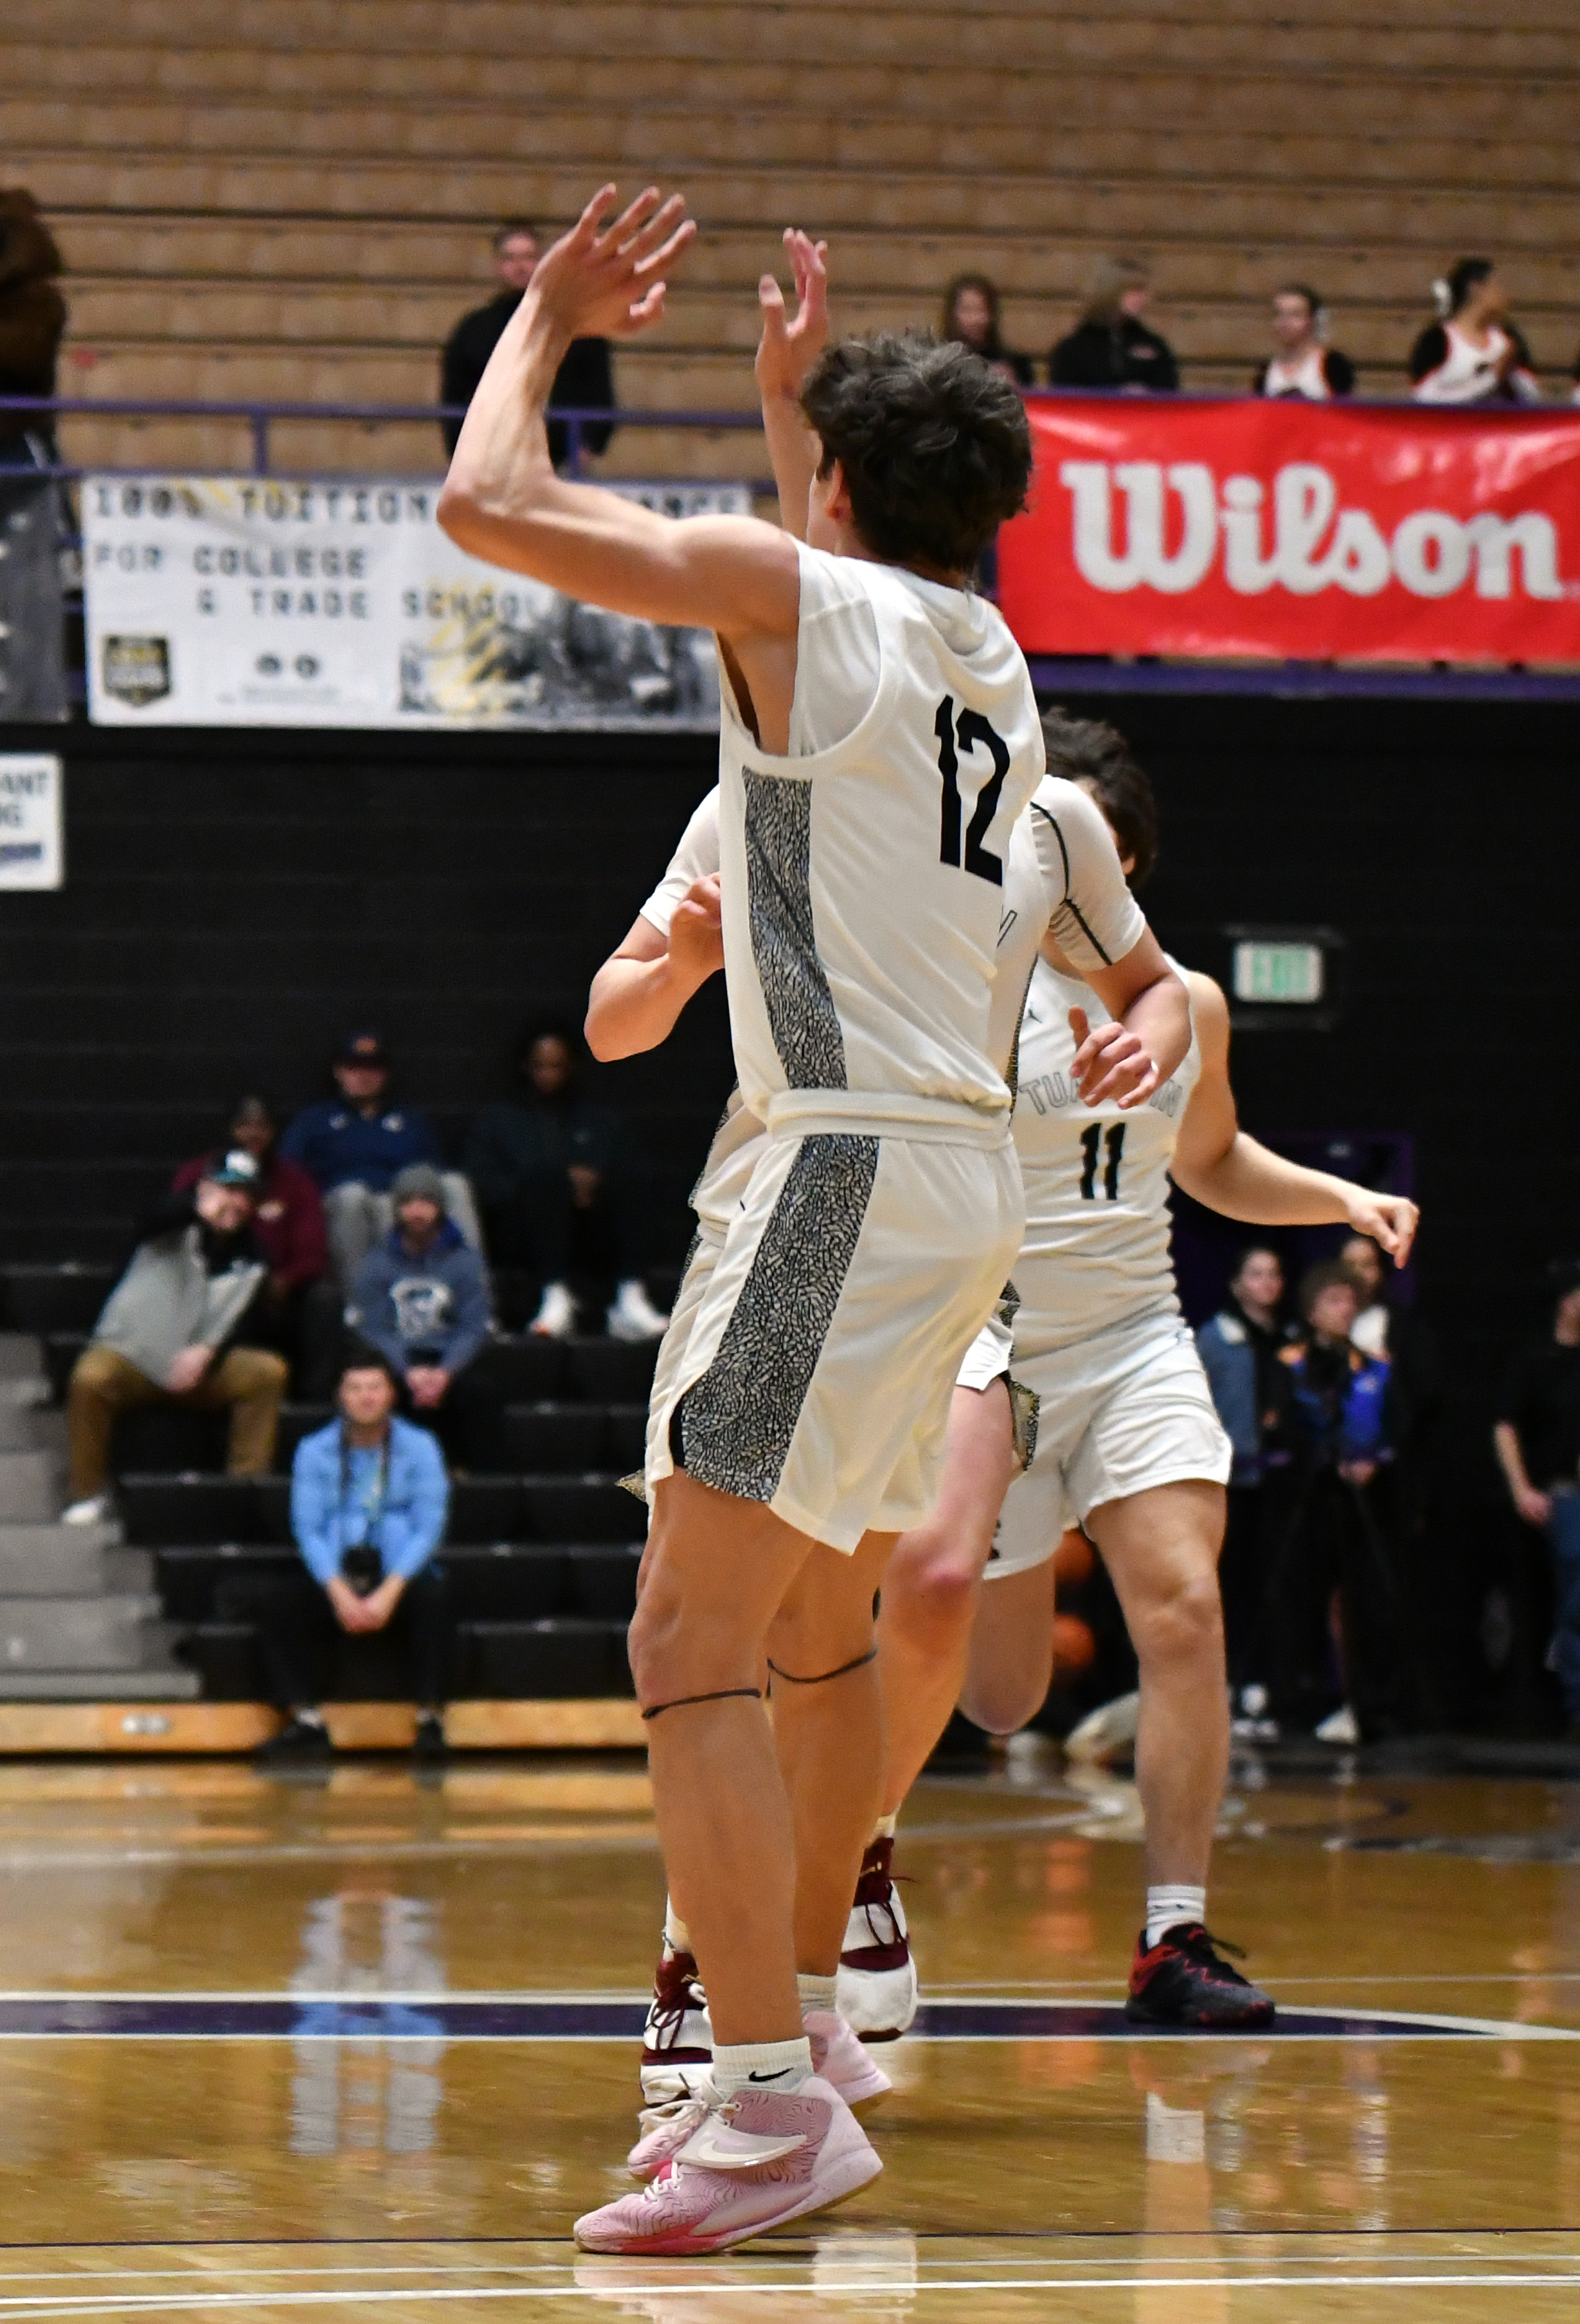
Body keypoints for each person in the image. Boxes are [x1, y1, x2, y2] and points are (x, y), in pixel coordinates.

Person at [444, 196, 1053, 2250]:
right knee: (802, 1637)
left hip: (845, 1166)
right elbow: (826, 576)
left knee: (679, 1635)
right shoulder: (986, 652)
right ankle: (775, 2047)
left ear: (846, 497)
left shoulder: (817, 605)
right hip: (956, 1179)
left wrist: (538, 318)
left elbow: (486, 502)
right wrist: (795, 398)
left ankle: (765, 2090)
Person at [590, 713, 1190, 2138]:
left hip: (885, 1201)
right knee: (792, 1621)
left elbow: (1158, 984)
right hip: (845, 1195)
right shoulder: (758, 797)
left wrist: (1144, 1043)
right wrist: (678, 959)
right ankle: (760, 1972)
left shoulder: (1027, 813)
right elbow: (615, 1015)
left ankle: (769, 2040)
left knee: (729, 1628)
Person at [820, 724, 1417, 2047]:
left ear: (1121, 866)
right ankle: (863, 1852)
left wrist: (1340, 1200)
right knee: (1003, 1692)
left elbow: (1213, 1162)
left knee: (1186, 1604)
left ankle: (1173, 1931)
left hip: (1137, 1331)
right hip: (993, 1345)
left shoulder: (1183, 1001)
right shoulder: (962, 973)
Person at [224, 1348, 454, 1763]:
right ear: (340, 1396)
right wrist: (339, 1594)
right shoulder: (314, 1450)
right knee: (277, 1603)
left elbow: (428, 1526)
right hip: (337, 1574)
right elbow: (307, 1529)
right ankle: (306, 1722)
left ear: (391, 1395)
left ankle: (430, 1720)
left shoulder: (420, 1447)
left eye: (375, 1388)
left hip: (398, 1574)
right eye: (356, 1388)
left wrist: (389, 1592)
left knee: (437, 1597)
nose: (366, 1397)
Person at [60, 1156, 285, 1526]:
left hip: (196, 1372)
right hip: (133, 1357)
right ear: (206, 1190)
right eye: (228, 1190)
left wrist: (209, 1352)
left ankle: (244, 1494)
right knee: (91, 1379)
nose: (235, 1203)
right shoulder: (171, 1226)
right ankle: (85, 1493)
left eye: (244, 1194)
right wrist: (194, 1209)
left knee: (266, 1373)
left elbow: (247, 1324)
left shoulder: (254, 1257)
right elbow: (153, 1218)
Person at [1270, 1262, 1406, 1742]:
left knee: (1369, 1604)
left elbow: (1391, 1426)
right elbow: (1283, 1428)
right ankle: (1296, 1702)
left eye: (1350, 1302)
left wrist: (1373, 1460)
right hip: (1308, 1502)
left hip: (1361, 1501)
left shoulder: (1375, 1368)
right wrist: (1320, 1459)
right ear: (1311, 1310)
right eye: (1333, 1301)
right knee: (1299, 1601)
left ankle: (1372, 1705)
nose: (1344, 1310)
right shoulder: (1291, 1364)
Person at [463, 1026, 668, 1341]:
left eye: (557, 1065)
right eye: (540, 1065)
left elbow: (637, 1170)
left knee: (630, 1180)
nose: (548, 1074)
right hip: (525, 1234)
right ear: (526, 1066)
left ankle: (630, 1295)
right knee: (547, 1183)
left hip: (593, 1231)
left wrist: (594, 1183)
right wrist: (556, 1185)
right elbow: (485, 1183)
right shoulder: (501, 1121)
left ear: (571, 1067)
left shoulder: (597, 1121)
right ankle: (555, 1295)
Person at [281, 1032, 481, 1287]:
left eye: (373, 1068)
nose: (364, 1075)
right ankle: (362, 1304)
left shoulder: (409, 1121)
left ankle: (475, 1293)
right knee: (352, 1196)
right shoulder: (315, 1121)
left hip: (401, 1204)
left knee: (454, 1183)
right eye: (355, 1068)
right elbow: (288, 1175)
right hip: (344, 1206)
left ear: (384, 1074)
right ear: (339, 1072)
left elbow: (432, 1171)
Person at [172, 1098, 332, 1392]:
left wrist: (284, 1280)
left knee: (324, 1298)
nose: (253, 1134)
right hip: (211, 1282)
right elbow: (172, 1229)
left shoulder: (295, 1181)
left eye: (262, 1126)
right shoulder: (198, 1172)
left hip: (276, 1291)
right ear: (229, 1129)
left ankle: (314, 1399)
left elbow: (313, 1254)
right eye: (244, 1125)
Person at [346, 1163, 501, 1468]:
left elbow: (473, 1326)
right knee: (370, 1387)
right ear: (396, 1208)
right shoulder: (376, 1263)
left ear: (440, 1206)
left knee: (483, 1394)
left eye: (426, 1202)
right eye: (408, 1203)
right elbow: (375, 1329)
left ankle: (485, 1484)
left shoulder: (465, 1261)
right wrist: (407, 1370)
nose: (417, 1211)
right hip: (398, 1359)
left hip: (449, 1359)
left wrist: (446, 1371)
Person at [1196, 1244, 1293, 1724]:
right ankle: (1227, 1683)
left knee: (1274, 1586)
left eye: (1274, 1274)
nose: (1267, 1284)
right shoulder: (1214, 1339)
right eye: (1256, 1274)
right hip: (1232, 1481)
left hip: (1281, 1482)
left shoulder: (1292, 1339)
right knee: (1230, 1584)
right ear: (1237, 1283)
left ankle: (1267, 1684)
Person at [440, 222, 614, 470]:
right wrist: (461, 454)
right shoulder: (474, 330)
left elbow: (599, 392)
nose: (520, 266)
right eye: (510, 258)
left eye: (529, 257)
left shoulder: (578, 327)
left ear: (544, 262)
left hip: (563, 461)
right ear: (498, 265)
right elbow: (454, 397)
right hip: (491, 461)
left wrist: (589, 445)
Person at [1497, 1262, 1580, 1739]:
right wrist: (1521, 1488)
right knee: (1574, 1596)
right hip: (1565, 1493)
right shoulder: (1539, 1359)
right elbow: (1505, 1424)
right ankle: (1573, 1700)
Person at [1410, 258, 1538, 405]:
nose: (1504, 294)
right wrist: (1492, 378)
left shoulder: (1508, 339)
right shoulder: (1436, 340)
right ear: (1476, 288)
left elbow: (1532, 397)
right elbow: (1424, 398)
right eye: (1496, 286)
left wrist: (1510, 375)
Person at [1047, 256, 1180, 392]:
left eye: (1143, 291)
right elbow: (1065, 396)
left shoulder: (1154, 345)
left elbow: (1169, 392)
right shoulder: (1073, 349)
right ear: (1111, 290)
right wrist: (1115, 393)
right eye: (1134, 290)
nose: (1141, 298)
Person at [1253, 285, 1354, 400]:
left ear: (1312, 320)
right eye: (1279, 314)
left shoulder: (1333, 364)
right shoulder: (1266, 370)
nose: (1285, 322)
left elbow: (1345, 410)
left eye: (1295, 315)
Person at [937, 271, 1032, 386]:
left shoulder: (1017, 365)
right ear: (952, 315)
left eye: (981, 310)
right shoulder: (936, 363)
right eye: (968, 310)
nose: (975, 320)